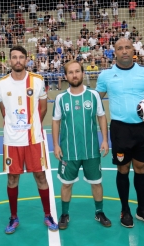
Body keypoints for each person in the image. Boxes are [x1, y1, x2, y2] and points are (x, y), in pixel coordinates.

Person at [96, 38, 144, 228]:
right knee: (123, 169)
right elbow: (96, 100)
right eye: (119, 48)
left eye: (127, 47)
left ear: (134, 50)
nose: (124, 51)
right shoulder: (106, 76)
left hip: (142, 128)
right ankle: (125, 210)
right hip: (120, 129)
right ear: (114, 52)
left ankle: (142, 209)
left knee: (141, 168)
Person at [0, 45, 58, 234]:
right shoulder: (1, 85)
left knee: (40, 176)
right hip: (12, 140)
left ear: (26, 59)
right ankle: (13, 218)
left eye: (21, 57)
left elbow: (43, 109)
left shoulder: (38, 81)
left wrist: (33, 126)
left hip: (34, 139)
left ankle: (47, 215)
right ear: (9, 60)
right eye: (14, 57)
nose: (18, 60)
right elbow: (4, 111)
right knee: (12, 178)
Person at [52, 60, 111, 230]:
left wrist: (105, 140)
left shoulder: (93, 95)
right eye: (70, 72)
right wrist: (56, 145)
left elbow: (101, 117)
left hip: (91, 149)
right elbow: (56, 122)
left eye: (77, 71)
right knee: (66, 184)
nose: (74, 75)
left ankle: (99, 212)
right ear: (65, 76)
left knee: (96, 183)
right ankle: (64, 214)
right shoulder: (61, 98)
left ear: (83, 73)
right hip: (69, 151)